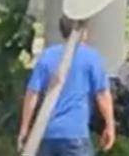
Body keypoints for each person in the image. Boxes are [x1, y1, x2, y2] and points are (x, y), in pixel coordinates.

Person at [18, 16, 115, 155]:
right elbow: (102, 95)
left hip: (47, 134)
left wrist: (24, 128)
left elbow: (32, 94)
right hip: (75, 134)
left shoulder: (47, 56)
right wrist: (110, 125)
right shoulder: (91, 57)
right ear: (82, 31)